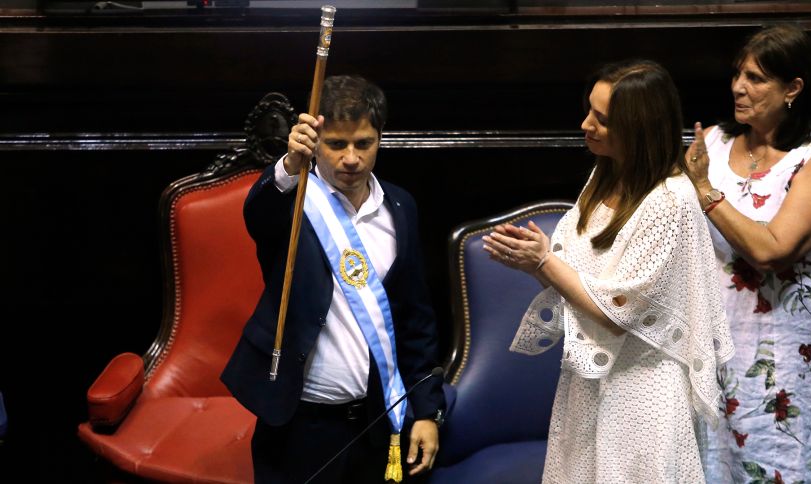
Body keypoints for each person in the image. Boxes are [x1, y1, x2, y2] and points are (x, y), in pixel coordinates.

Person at [483, 59, 735, 483]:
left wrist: (545, 262)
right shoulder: (604, 177)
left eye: (601, 119)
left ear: (637, 128)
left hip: (642, 393)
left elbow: (619, 311)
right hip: (589, 385)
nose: (586, 124)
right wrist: (532, 260)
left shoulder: (669, 201)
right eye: (589, 110)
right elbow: (579, 280)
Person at [221, 75, 445, 483]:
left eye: (364, 143)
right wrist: (289, 166)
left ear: (380, 138)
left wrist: (428, 411)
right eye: (337, 144)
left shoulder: (401, 207)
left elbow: (416, 319)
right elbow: (259, 215)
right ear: (315, 142)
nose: (351, 158)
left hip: (376, 422)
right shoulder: (293, 202)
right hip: (299, 425)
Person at [685, 24, 811, 484]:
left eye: (756, 78)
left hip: (791, 348)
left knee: (786, 461)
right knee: (714, 459)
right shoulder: (713, 144)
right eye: (737, 74)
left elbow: (771, 251)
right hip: (715, 339)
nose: (738, 87)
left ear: (793, 88)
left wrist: (704, 190)